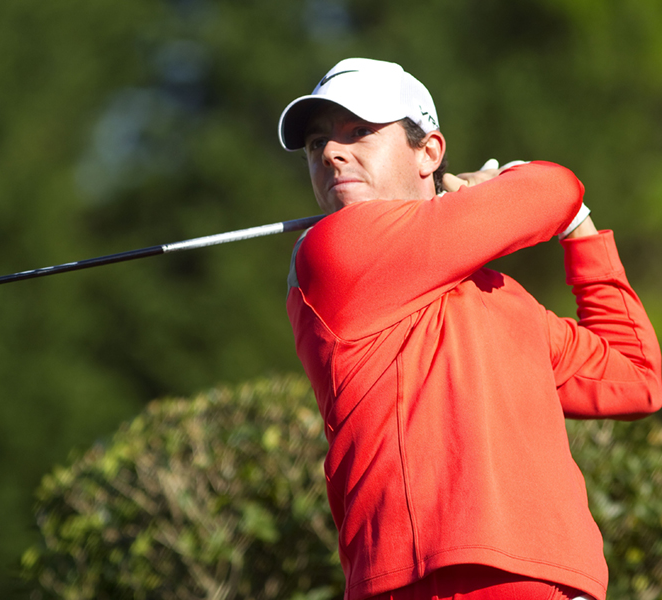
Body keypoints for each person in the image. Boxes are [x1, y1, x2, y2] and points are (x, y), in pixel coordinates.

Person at [278, 58, 662, 600]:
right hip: (433, 578)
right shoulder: (333, 250)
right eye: (318, 144)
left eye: (360, 132)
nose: (332, 153)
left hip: (557, 581)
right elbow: (552, 188)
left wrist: (581, 230)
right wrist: (502, 185)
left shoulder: (501, 296)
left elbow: (639, 376)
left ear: (428, 152)